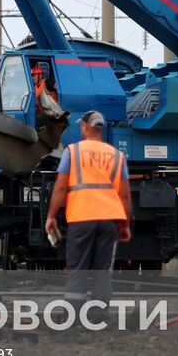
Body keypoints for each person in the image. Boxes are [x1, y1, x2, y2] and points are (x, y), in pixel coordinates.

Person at [44, 110, 132, 316]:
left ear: (84, 127)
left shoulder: (72, 152)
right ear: (101, 129)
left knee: (79, 270)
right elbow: (125, 196)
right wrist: (125, 225)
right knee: (102, 273)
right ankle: (98, 320)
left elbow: (60, 187)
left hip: (81, 218)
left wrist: (51, 216)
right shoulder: (117, 156)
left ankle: (73, 318)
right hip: (108, 220)